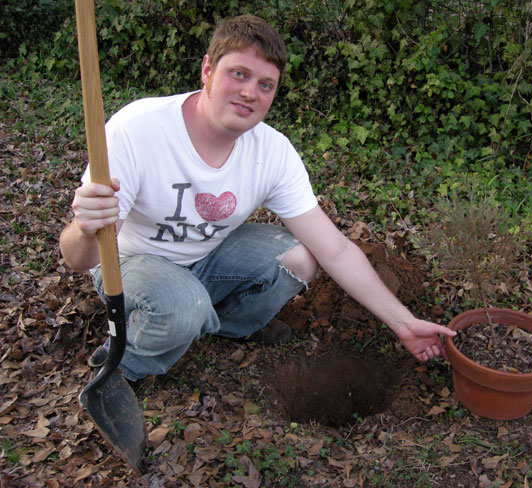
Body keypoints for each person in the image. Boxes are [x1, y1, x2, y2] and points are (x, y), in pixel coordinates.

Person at [60, 15, 455, 382]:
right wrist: (85, 228)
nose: (250, 92)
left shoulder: (272, 152)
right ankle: (121, 368)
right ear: (207, 71)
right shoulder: (137, 130)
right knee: (184, 306)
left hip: (206, 259)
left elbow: (334, 249)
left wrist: (403, 322)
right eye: (238, 74)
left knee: (301, 258)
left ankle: (219, 325)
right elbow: (79, 260)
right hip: (130, 264)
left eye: (265, 84)